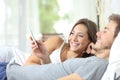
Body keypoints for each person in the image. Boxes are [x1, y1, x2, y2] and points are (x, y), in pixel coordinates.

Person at [6, 14, 120, 80]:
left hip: (10, 74)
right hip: (13, 68)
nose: (98, 34)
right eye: (72, 33)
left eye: (105, 31)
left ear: (116, 41)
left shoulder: (100, 64)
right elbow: (49, 71)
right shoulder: (94, 61)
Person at [24, 18, 98, 65]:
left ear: (90, 41)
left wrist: (94, 50)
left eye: (80, 35)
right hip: (18, 59)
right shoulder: (57, 42)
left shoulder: (84, 64)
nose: (73, 39)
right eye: (72, 33)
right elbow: (28, 63)